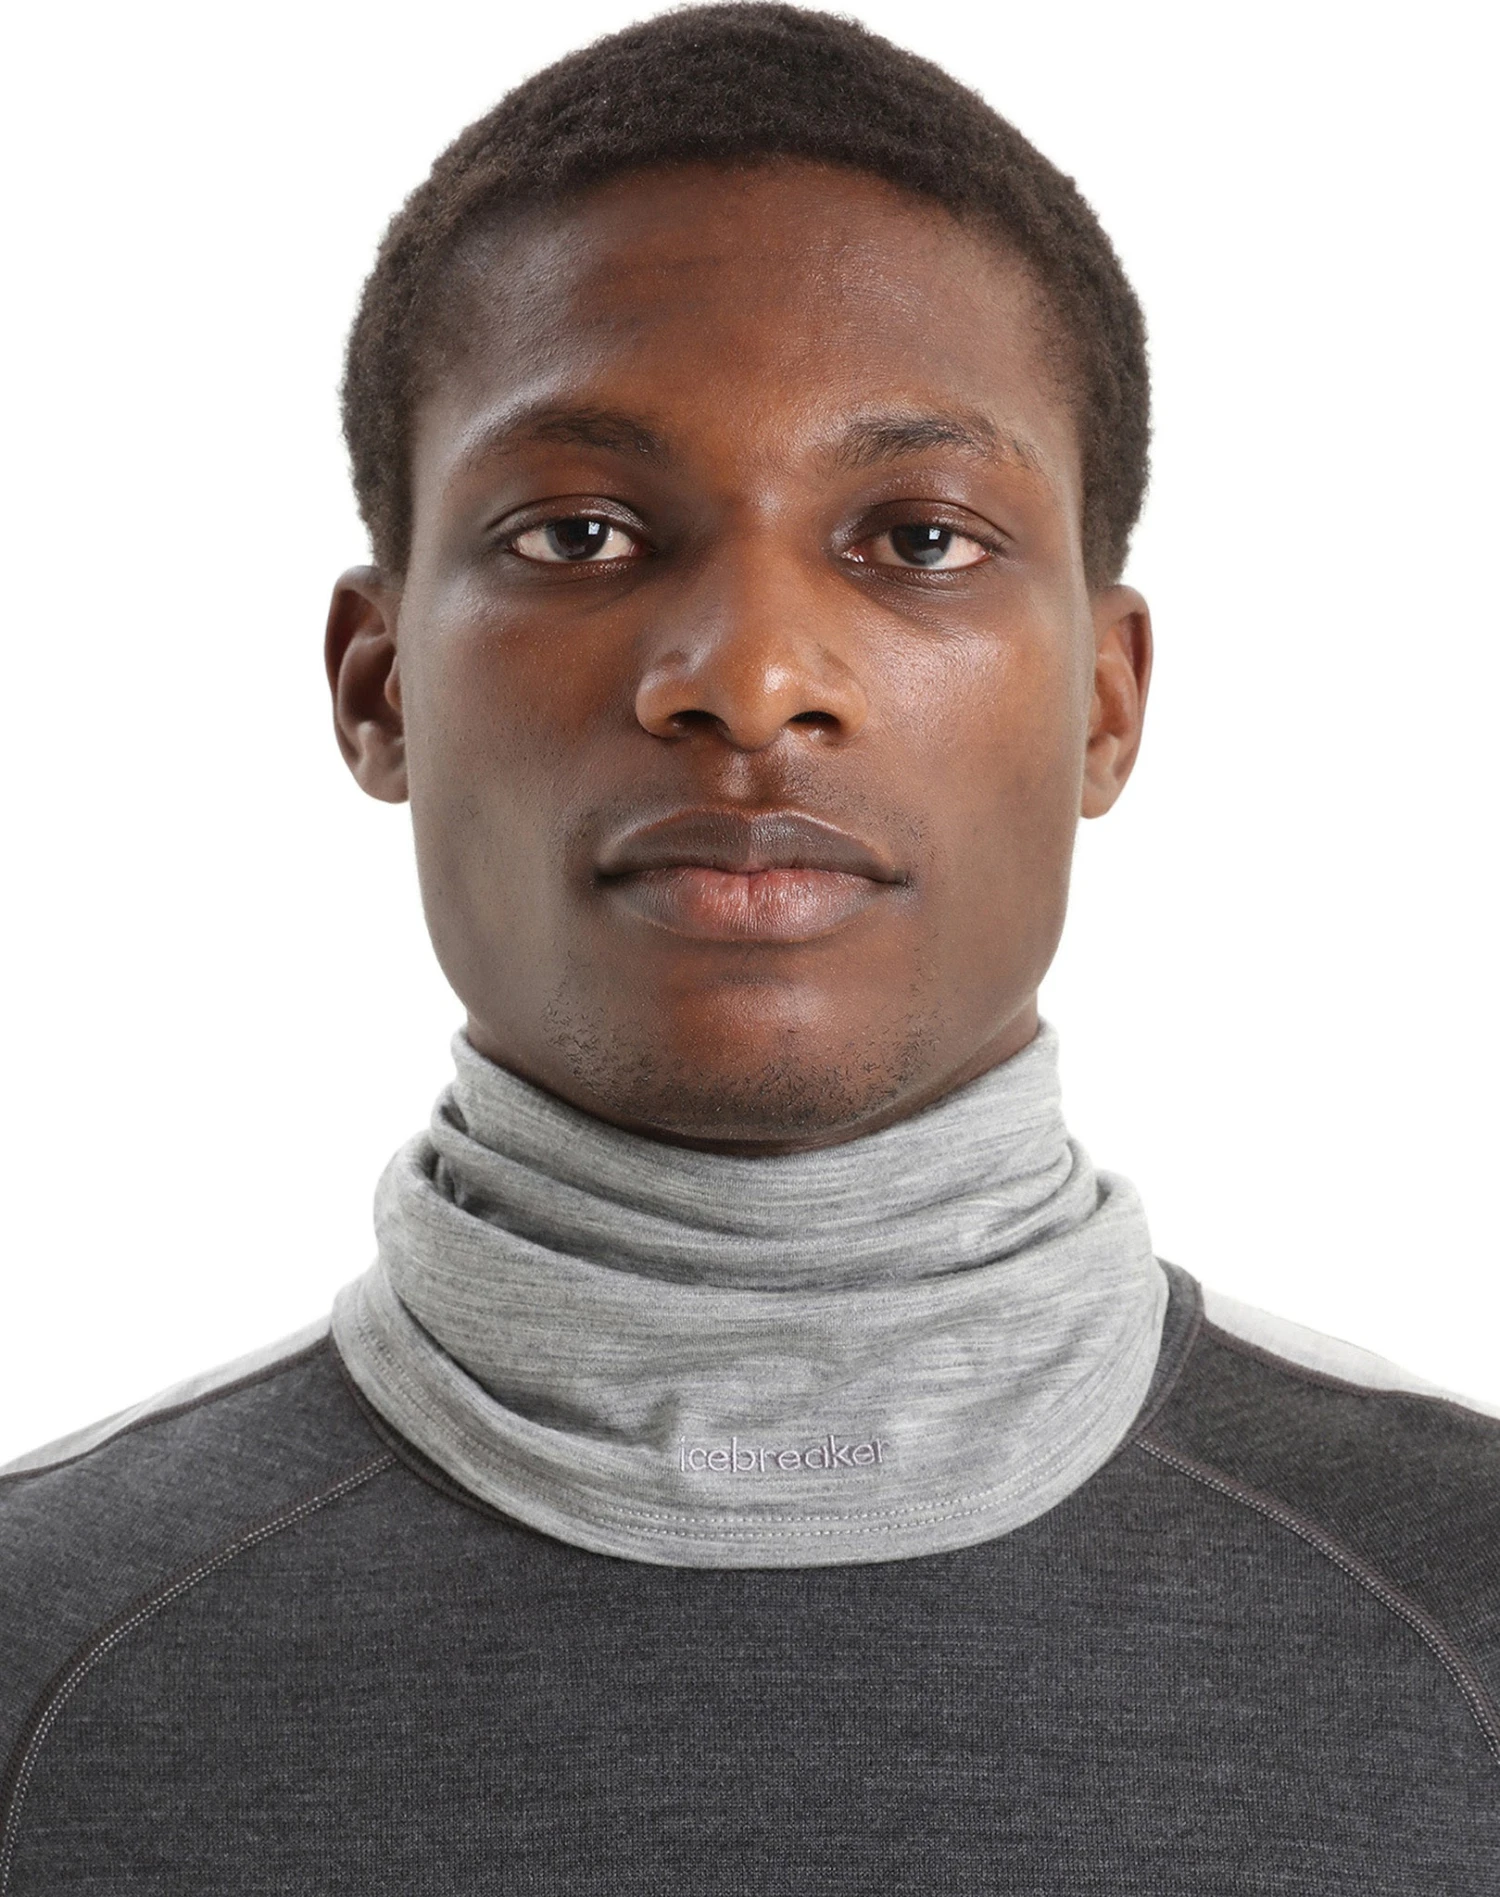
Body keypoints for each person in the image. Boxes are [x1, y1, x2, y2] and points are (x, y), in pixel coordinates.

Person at [2, 4, 1496, 1887]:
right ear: (378, 690)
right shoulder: (37, 1656)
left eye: (920, 541)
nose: (754, 677)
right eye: (579, 533)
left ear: (1106, 708)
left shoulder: (1469, 1615)